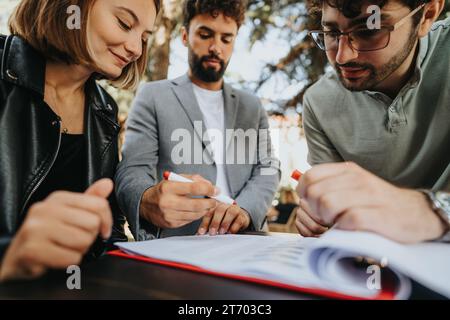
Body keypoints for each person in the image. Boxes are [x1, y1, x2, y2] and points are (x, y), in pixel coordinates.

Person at [0, 0, 160, 281]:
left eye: (145, 38)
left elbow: (108, 231)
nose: (136, 49)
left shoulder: (104, 111)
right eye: (124, 23)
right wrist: (9, 257)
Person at [116, 0, 281, 240]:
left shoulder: (252, 106)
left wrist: (245, 209)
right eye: (205, 35)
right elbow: (132, 170)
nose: (216, 47)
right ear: (184, 36)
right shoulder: (153, 96)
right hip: (181, 245)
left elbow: (269, 167)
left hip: (248, 240)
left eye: (227, 39)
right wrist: (145, 198)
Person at [295, 0, 450, 243]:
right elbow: (334, 215)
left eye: (369, 31)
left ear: (427, 15)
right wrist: (321, 213)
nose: (343, 56)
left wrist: (433, 211)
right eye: (332, 33)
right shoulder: (318, 103)